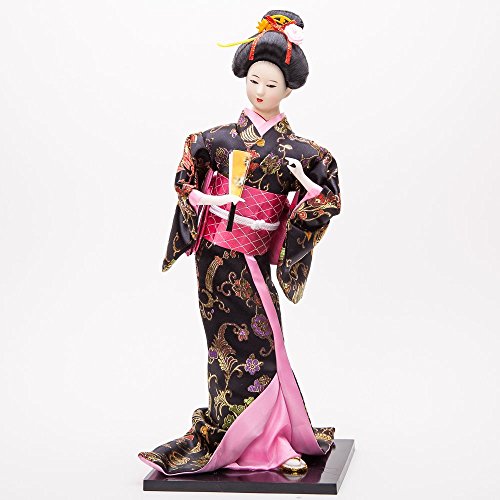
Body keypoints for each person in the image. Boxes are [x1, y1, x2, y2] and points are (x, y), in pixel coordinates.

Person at [138, 9, 341, 477]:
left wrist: (306, 192)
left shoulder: (303, 152)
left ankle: (271, 438)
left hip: (255, 254)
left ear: (288, 90)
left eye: (271, 84)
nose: (260, 91)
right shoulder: (214, 140)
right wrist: (207, 197)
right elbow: (185, 180)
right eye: (254, 80)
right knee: (226, 347)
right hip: (216, 256)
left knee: (266, 342)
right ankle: (248, 440)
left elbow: (327, 197)